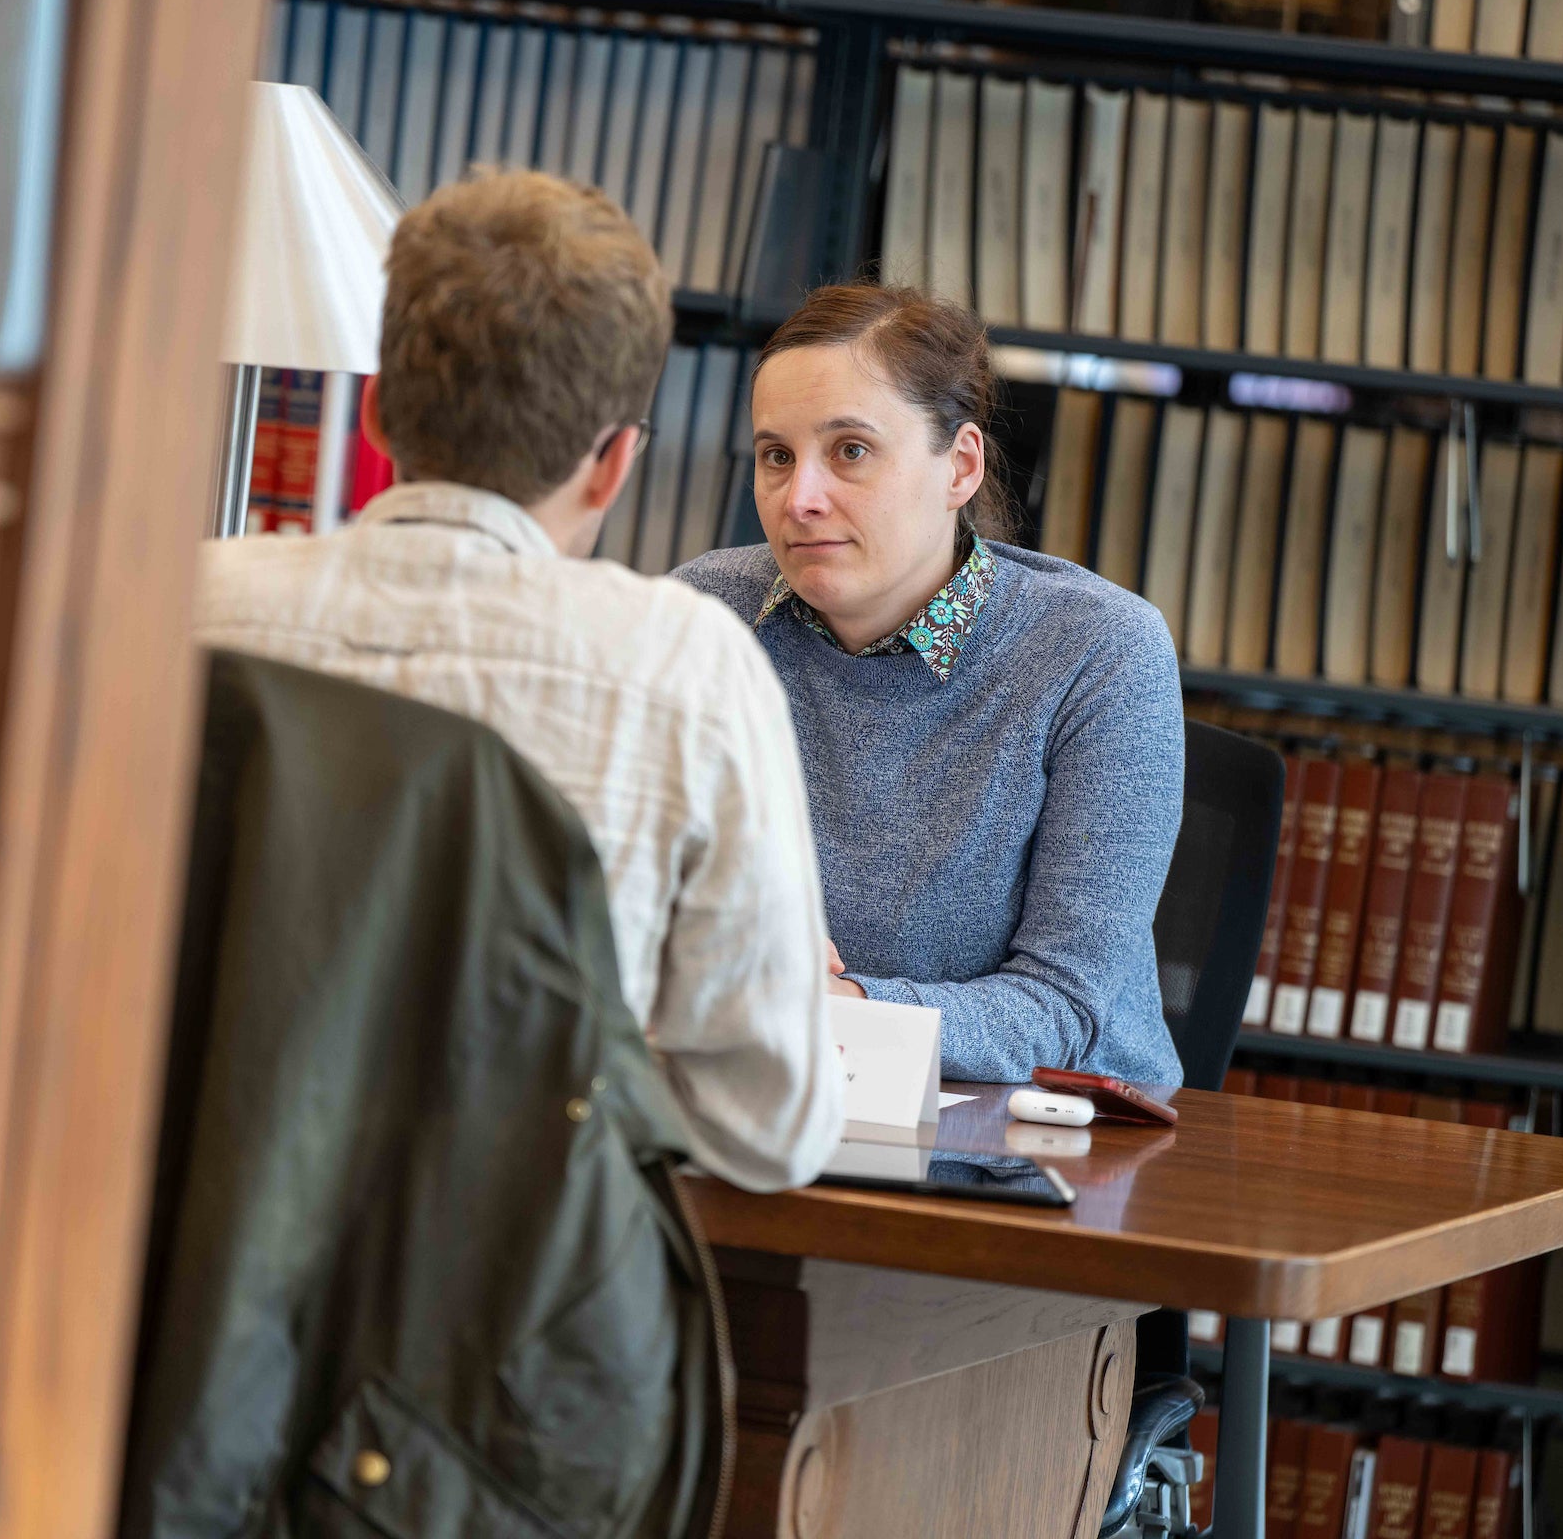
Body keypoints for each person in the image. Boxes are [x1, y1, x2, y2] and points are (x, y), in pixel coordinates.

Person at [195, 169, 844, 1191]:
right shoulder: (684, 664)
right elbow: (772, 1129)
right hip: (501, 1302)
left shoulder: (186, 609)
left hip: (170, 1276)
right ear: (615, 464)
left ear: (376, 413)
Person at [676, 282, 1185, 1087]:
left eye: (850, 450)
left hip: (1037, 1147)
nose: (800, 499)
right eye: (777, 456)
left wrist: (840, 1002)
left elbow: (1065, 1007)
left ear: (961, 466)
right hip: (761, 1107)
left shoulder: (1098, 651)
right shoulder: (702, 617)